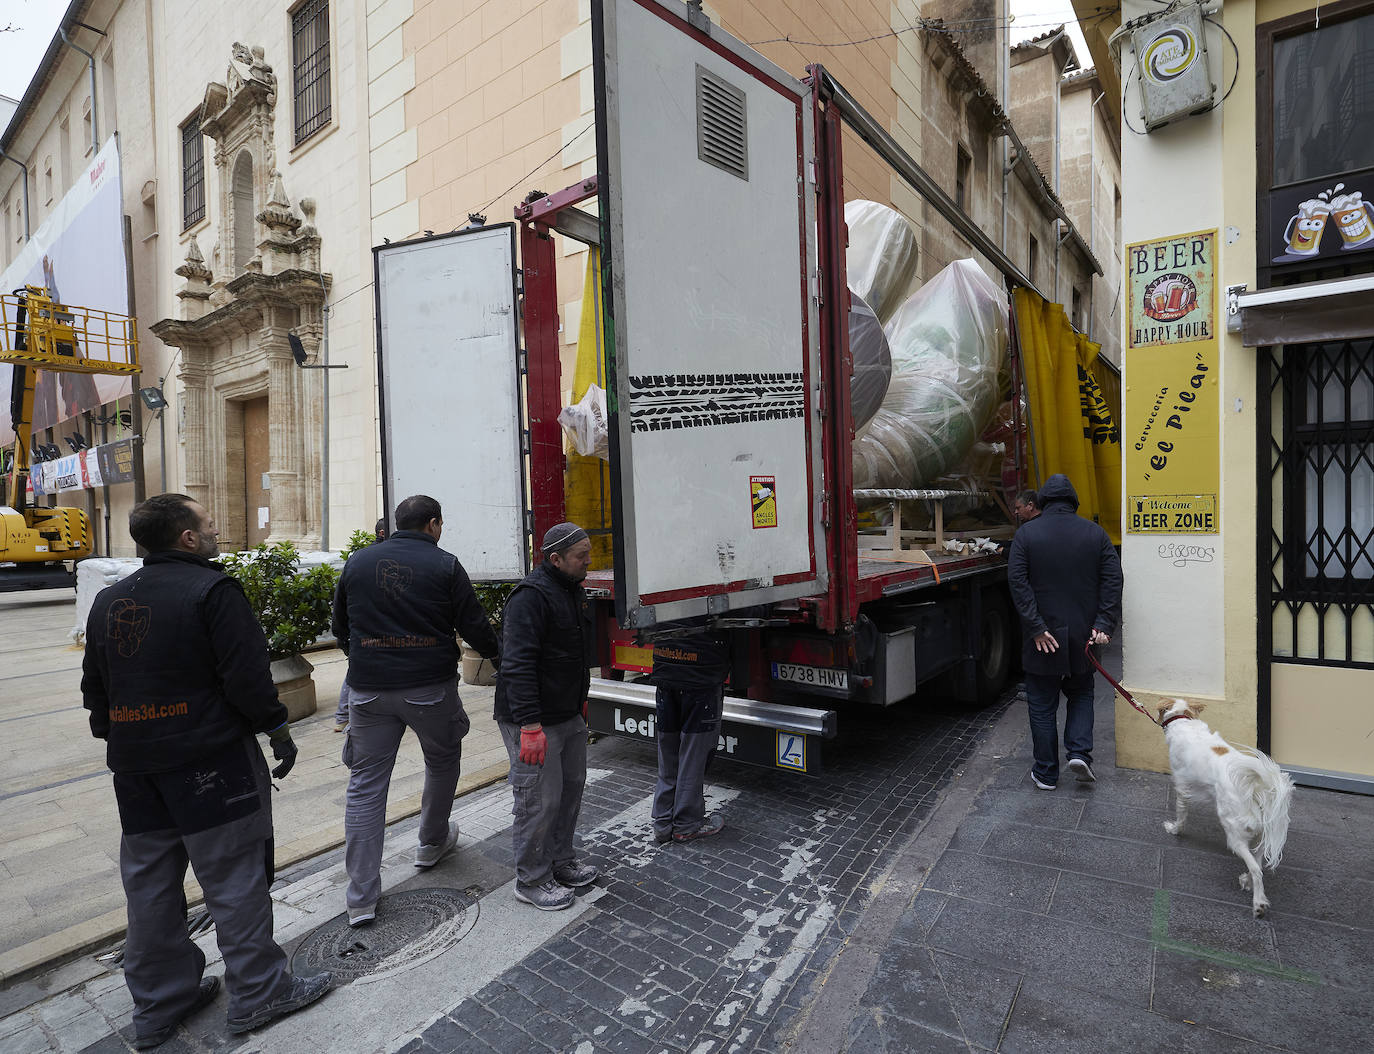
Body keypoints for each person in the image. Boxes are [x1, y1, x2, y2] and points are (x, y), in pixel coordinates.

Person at [81, 494, 331, 1048]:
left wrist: (125, 734)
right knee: (234, 876)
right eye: (207, 524)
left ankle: (158, 1006)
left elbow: (94, 689)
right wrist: (277, 728)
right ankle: (261, 993)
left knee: (149, 884)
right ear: (188, 538)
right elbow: (246, 678)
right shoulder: (213, 591)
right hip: (210, 763)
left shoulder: (108, 601)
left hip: (136, 768)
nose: (215, 530)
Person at [331, 494, 500, 927]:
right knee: (442, 760)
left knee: (365, 787)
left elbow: (340, 627)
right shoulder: (445, 564)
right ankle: (430, 842)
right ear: (434, 524)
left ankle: (360, 899)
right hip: (429, 689)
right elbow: (474, 625)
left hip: (368, 690)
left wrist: (366, 658)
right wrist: (502, 660)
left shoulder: (357, 562)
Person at [495, 521, 597, 911]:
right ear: (555, 559)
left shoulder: (572, 589)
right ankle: (532, 879)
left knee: (570, 788)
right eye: (581, 557)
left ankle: (560, 860)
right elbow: (517, 665)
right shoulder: (530, 598)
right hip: (533, 720)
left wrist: (580, 702)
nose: (588, 562)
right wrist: (531, 726)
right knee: (539, 798)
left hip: (565, 713)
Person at [1007, 474, 1123, 790]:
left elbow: (1018, 583)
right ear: (1073, 502)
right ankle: (1080, 753)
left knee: (1042, 703)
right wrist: (1103, 625)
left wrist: (1036, 627)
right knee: (1082, 692)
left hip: (1042, 639)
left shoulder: (1026, 535)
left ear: (1042, 502)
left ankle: (1045, 772)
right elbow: (1113, 580)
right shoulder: (1096, 534)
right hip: (1083, 636)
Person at [649, 622, 730, 844]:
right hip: (700, 675)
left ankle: (663, 823)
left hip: (666, 667)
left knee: (668, 753)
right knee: (694, 755)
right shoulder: (710, 585)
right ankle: (686, 825)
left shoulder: (659, 585)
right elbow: (745, 606)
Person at [332, 519, 390, 733]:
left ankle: (342, 717)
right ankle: (343, 716)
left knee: (356, 669)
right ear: (383, 533)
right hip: (375, 629)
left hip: (363, 631)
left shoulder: (359, 559)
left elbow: (340, 603)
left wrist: (343, 637)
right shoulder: (382, 558)